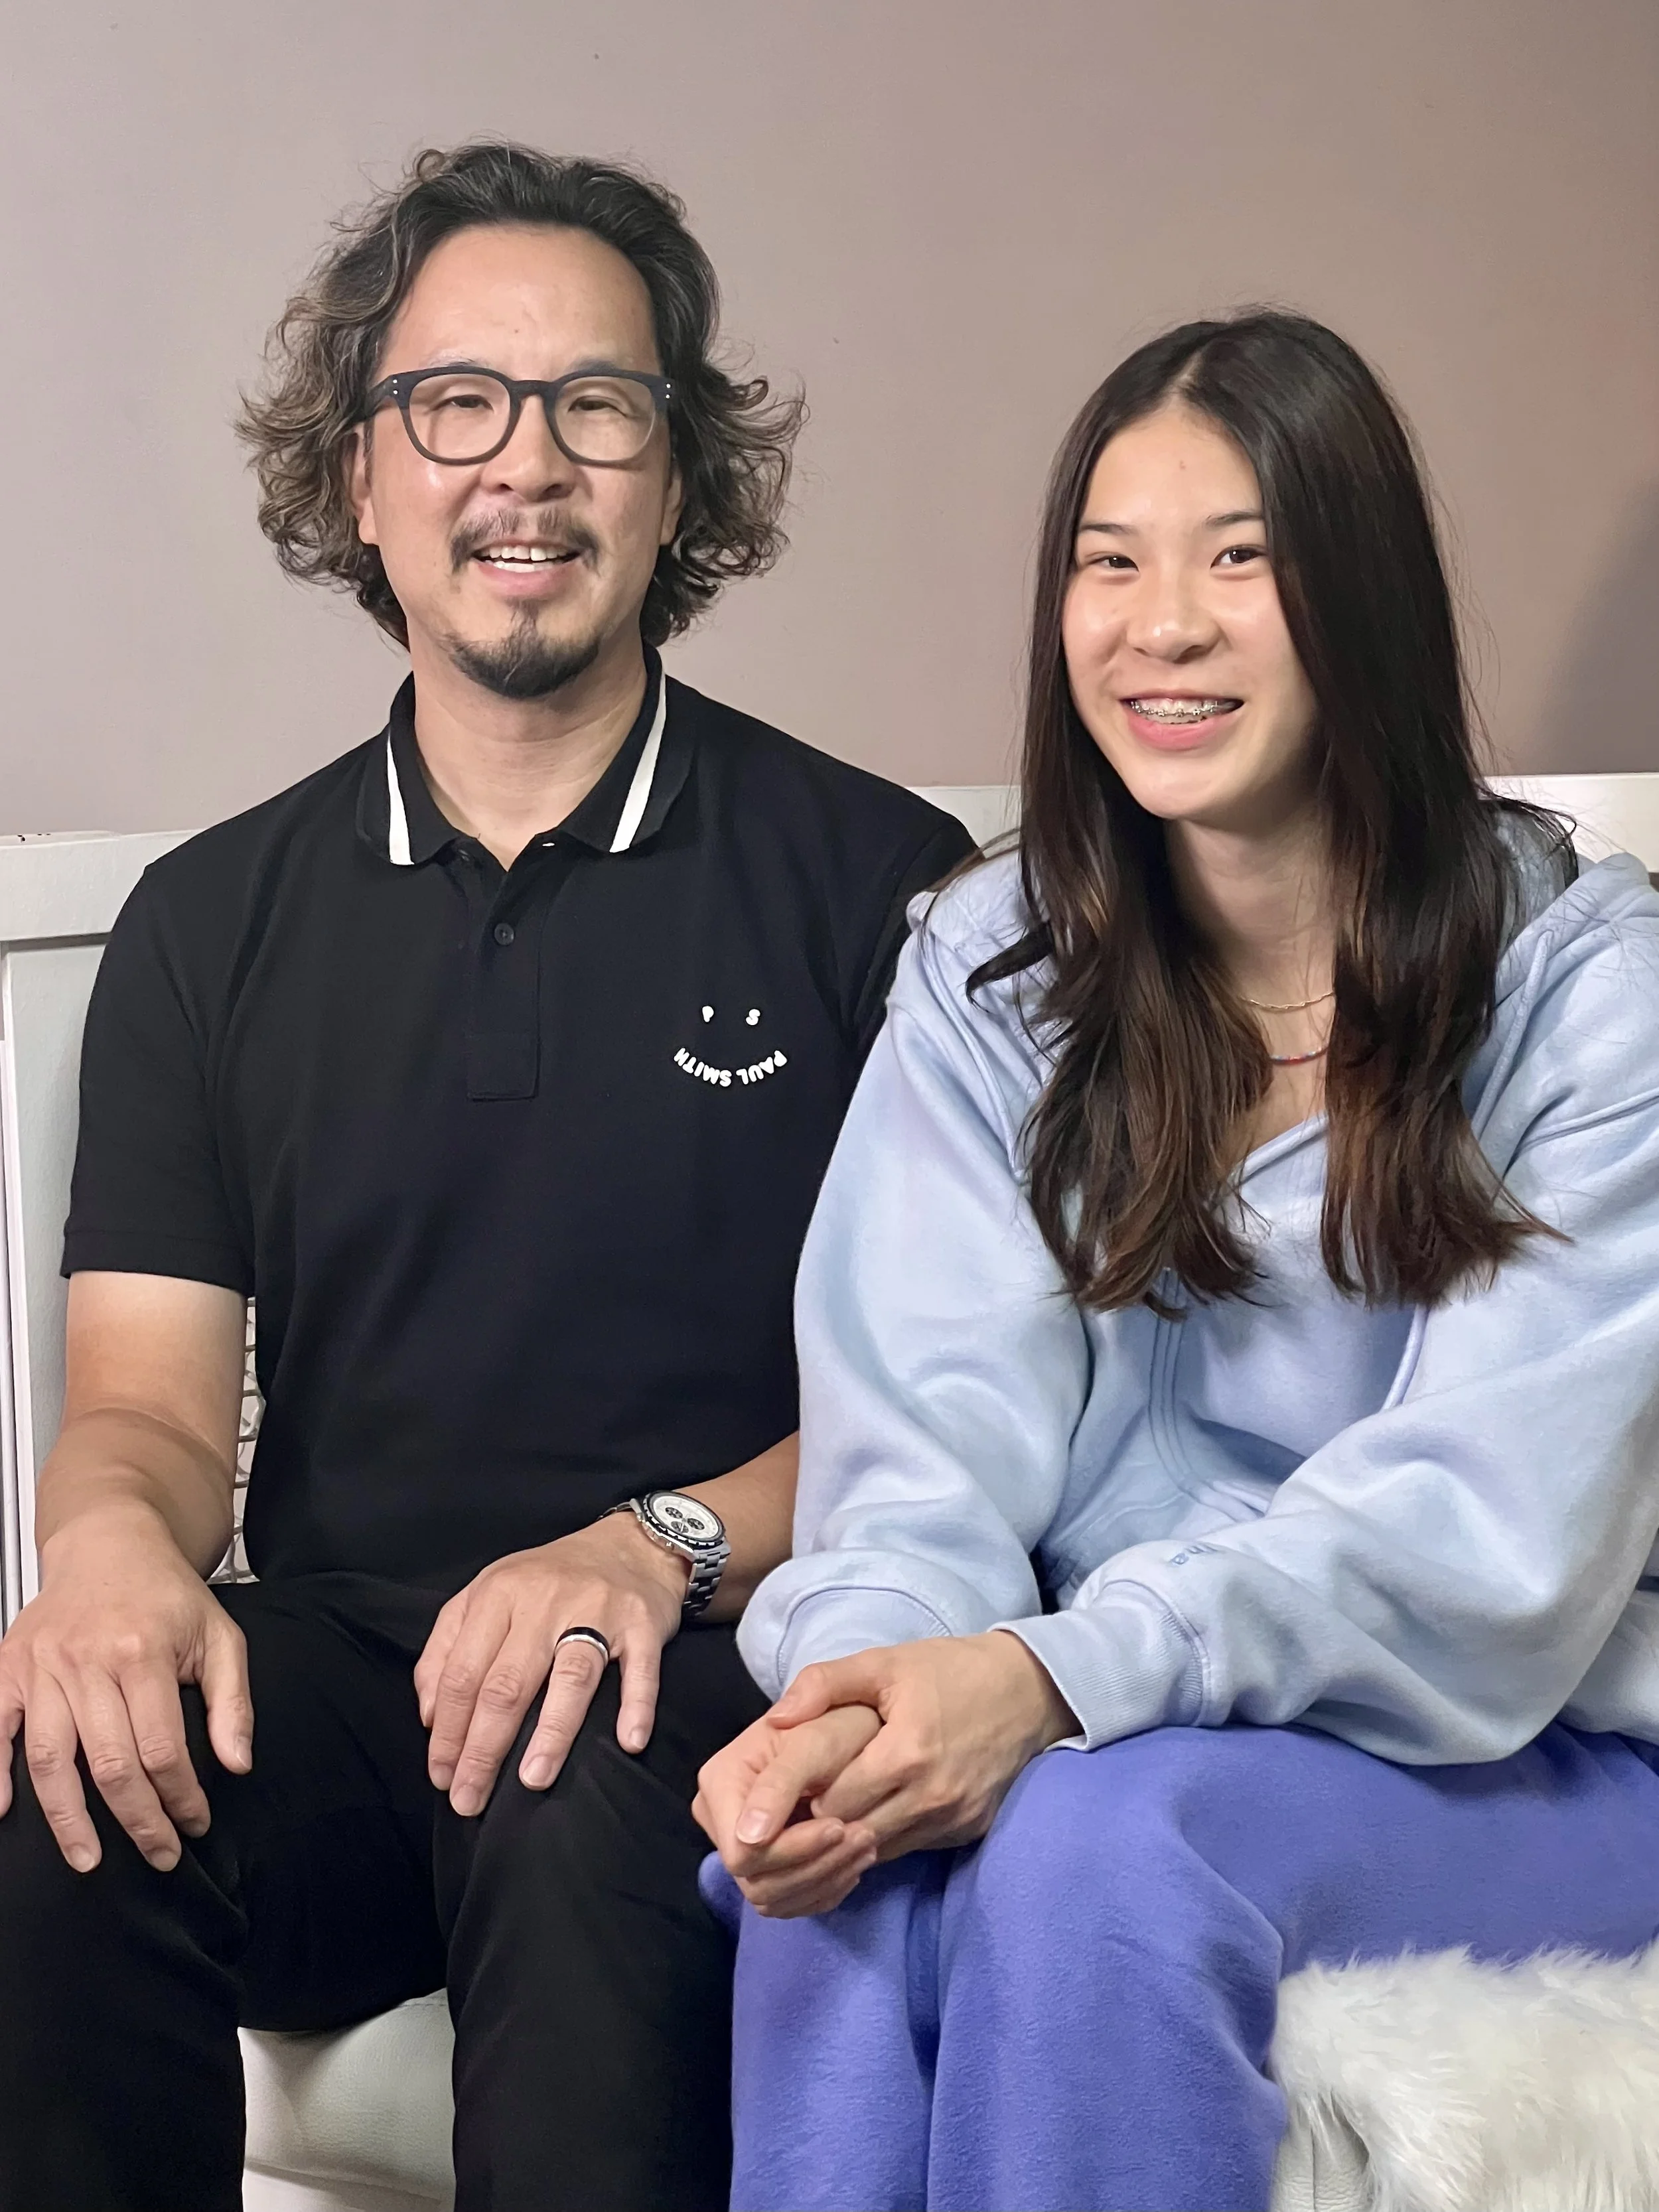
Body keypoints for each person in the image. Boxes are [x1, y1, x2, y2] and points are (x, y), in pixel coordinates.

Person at [0, 142, 972, 2212]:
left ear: (679, 478)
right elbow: (150, 1416)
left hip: (703, 1664)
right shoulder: (209, 920)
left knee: (571, 1746)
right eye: (456, 402)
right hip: (348, 1689)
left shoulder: (883, 892)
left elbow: (963, 1412)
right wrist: (100, 1560)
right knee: (49, 1779)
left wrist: (653, 1545)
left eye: (594, 405)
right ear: (360, 477)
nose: (522, 465)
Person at [695, 309, 1659, 2212]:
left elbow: (1483, 1550)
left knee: (1093, 1850)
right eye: (1107, 563)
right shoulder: (992, 978)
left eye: (1240, 559)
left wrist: (1053, 1680)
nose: (1162, 625)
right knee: (829, 1864)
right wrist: (869, 1705)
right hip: (1108, 1719)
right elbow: (917, 1453)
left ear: (1357, 600)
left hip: (1541, 1747)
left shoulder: (1586, 983)